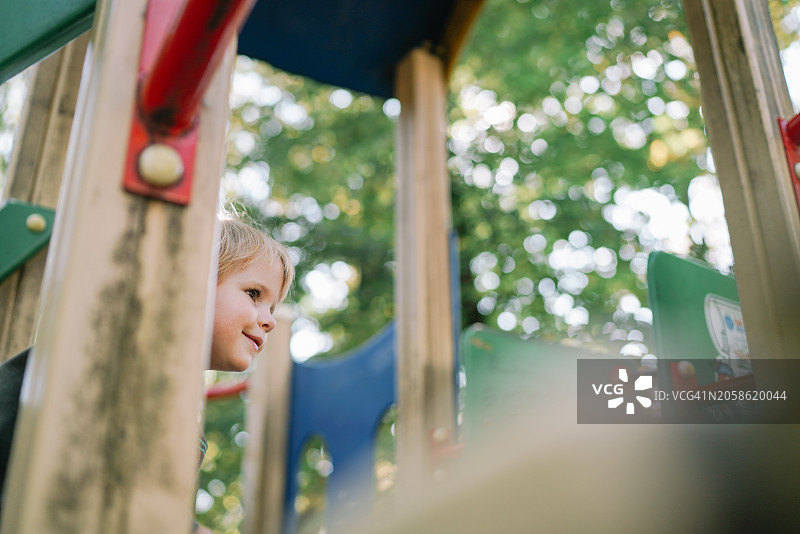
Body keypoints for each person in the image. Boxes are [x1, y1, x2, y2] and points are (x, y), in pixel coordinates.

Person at [0, 215, 294, 529]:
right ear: (189, 281)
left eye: (273, 308)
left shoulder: (177, 409)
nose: (270, 320)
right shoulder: (108, 362)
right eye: (253, 294)